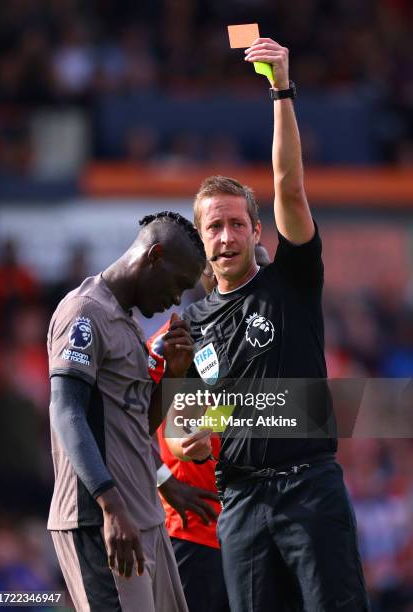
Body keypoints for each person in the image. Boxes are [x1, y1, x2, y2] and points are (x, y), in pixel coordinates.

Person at [167, 38, 370, 611]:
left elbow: (290, 187)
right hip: (241, 504)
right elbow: (185, 430)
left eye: (237, 224)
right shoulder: (192, 323)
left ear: (258, 232)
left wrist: (281, 88)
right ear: (202, 240)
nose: (226, 236)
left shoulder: (293, 281)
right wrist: (197, 440)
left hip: (309, 488)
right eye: (214, 228)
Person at [47, 211, 205, 612]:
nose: (176, 299)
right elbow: (66, 411)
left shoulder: (129, 324)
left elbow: (135, 426)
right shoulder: (83, 312)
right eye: (177, 285)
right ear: (155, 256)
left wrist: (175, 375)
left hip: (143, 517)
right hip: (102, 520)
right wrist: (111, 506)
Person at [148, 246, 270, 612]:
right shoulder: (178, 339)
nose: (264, 288)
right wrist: (159, 477)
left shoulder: (266, 344)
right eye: (253, 273)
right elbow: (182, 436)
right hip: (195, 532)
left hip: (257, 532)